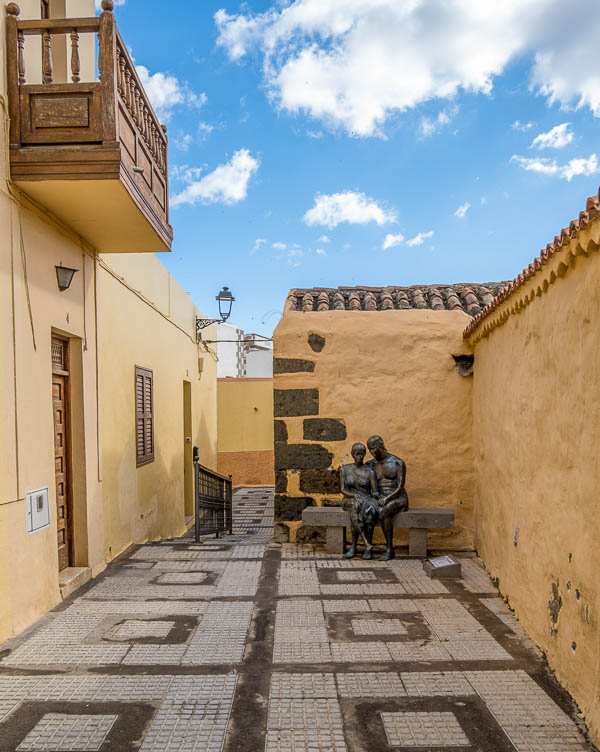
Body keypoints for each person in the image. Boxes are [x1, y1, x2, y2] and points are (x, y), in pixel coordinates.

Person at [366, 435, 408, 561]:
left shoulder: (397, 463)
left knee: (384, 511)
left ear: (381, 445)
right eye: (370, 450)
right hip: (379, 498)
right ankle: (368, 547)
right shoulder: (370, 465)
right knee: (366, 510)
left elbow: (400, 487)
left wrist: (387, 499)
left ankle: (390, 549)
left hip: (398, 498)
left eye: (374, 448)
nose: (372, 452)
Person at [340, 442, 380, 559]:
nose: (360, 457)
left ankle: (366, 549)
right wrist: (353, 495)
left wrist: (381, 499)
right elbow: (342, 489)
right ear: (352, 454)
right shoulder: (345, 469)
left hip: (367, 498)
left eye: (362, 454)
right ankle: (357, 546)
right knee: (355, 506)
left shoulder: (369, 471)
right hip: (349, 498)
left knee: (368, 512)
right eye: (357, 454)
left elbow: (375, 492)